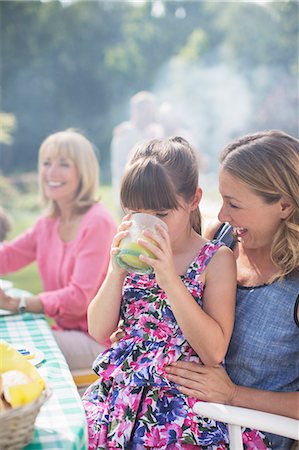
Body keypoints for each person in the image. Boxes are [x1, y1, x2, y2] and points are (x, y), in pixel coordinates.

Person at [82, 136, 270, 449]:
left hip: (178, 405)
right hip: (121, 397)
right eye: (135, 212)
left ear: (194, 199)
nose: (149, 225)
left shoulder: (215, 259)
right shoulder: (130, 254)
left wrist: (169, 278)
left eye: (161, 215)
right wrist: (115, 271)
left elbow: (214, 351)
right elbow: (98, 329)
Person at [165, 130, 299, 450]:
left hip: (246, 432)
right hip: (182, 414)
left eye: (234, 204)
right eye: (222, 199)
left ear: (284, 205)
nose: (223, 214)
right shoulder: (221, 238)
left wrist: (232, 395)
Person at [0, 129, 117, 370]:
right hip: (65, 332)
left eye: (63, 164)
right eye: (46, 163)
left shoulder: (98, 222)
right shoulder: (48, 223)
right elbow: (8, 257)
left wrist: (19, 302)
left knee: (13, 351)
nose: (51, 172)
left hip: (97, 341)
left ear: (83, 172)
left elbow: (77, 299)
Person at [110, 91, 163, 216]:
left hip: (153, 194)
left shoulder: (157, 132)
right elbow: (120, 166)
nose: (148, 114)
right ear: (135, 111)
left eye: (150, 110)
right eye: (144, 110)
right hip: (129, 192)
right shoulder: (124, 134)